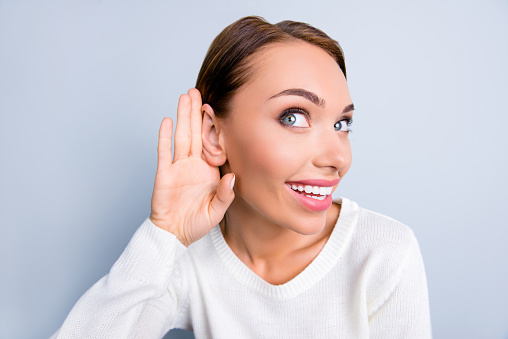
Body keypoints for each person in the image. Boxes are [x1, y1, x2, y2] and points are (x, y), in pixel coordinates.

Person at [51, 16, 431, 338]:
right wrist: (164, 234)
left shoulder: (383, 253)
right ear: (214, 135)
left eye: (341, 124)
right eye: (293, 116)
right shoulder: (186, 259)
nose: (338, 157)